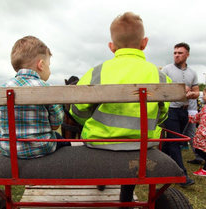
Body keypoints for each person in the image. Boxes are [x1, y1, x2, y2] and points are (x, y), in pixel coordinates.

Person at [70, 12, 171, 208]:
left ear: (112, 46)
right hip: (143, 145)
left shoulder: (97, 72)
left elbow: (77, 110)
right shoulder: (159, 76)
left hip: (99, 142)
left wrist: (90, 123)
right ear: (144, 42)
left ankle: (101, 179)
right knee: (134, 154)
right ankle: (126, 199)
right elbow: (163, 114)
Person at [0, 35, 68, 159]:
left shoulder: (2, 88)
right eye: (48, 65)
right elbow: (56, 124)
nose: (49, 69)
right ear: (41, 65)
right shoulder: (47, 88)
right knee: (65, 142)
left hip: (8, 149)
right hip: (42, 147)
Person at [161, 42, 199, 187]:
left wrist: (191, 94)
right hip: (171, 109)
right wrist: (179, 91)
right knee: (175, 141)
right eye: (175, 52)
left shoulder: (192, 73)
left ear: (187, 55)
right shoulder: (166, 70)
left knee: (170, 142)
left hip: (184, 110)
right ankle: (181, 175)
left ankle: (157, 163)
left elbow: (196, 93)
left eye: (180, 53)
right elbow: (160, 89)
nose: (176, 55)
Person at [185, 99, 205, 164]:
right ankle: (200, 156)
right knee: (191, 135)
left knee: (176, 136)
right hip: (193, 111)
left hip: (186, 111)